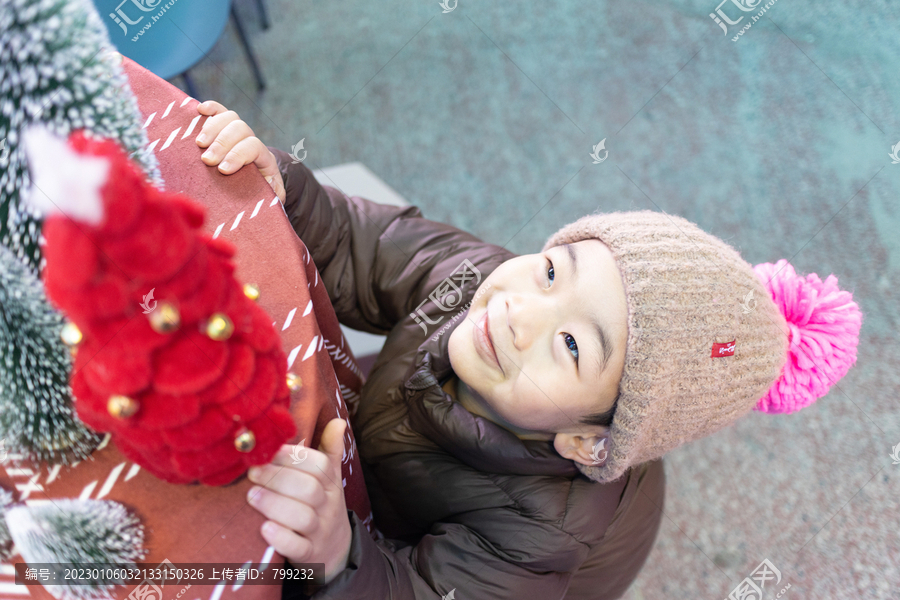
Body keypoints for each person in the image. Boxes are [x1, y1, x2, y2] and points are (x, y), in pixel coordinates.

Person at [192, 101, 863, 600]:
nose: (519, 312)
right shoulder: (482, 282)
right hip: (384, 438)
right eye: (551, 272)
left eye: (570, 344)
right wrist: (284, 189)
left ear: (581, 440)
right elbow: (357, 245)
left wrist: (342, 557)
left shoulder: (542, 529)